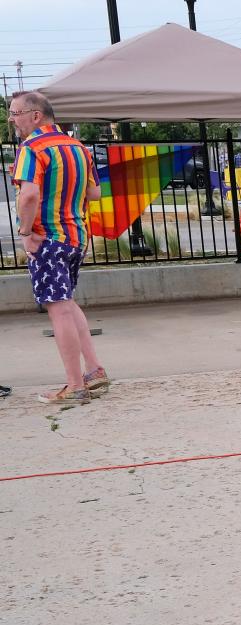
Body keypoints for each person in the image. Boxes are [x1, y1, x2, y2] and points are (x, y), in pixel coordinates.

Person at [8, 90, 110, 405]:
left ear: (35, 116)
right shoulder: (77, 147)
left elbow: (28, 196)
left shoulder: (31, 148)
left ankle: (74, 384)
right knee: (67, 303)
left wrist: (26, 232)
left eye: (15, 113)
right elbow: (94, 193)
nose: (12, 119)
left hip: (47, 238)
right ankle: (93, 371)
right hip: (76, 235)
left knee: (58, 308)